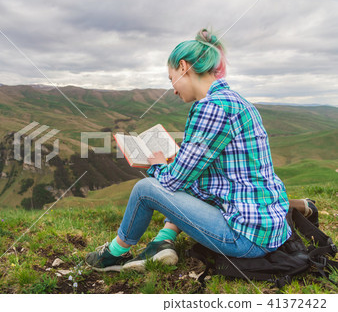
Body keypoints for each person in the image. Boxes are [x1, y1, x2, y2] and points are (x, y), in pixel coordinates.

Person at [85, 28, 318, 272]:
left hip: (245, 238)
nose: (173, 89)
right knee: (189, 183)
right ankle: (162, 241)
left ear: (184, 67)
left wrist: (156, 164)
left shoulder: (211, 108)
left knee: (145, 189)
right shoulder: (234, 100)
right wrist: (180, 159)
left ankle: (113, 253)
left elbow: (174, 181)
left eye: (171, 78)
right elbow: (206, 171)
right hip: (266, 229)